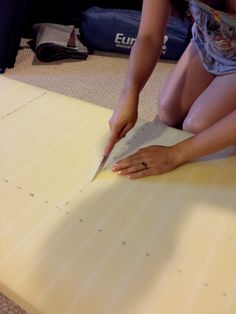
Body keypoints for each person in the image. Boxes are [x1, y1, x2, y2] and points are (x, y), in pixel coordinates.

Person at [103, 0, 236, 179]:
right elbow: (149, 36)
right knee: (168, 111)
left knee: (197, 125)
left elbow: (181, 150)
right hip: (209, 44)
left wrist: (176, 154)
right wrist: (129, 93)